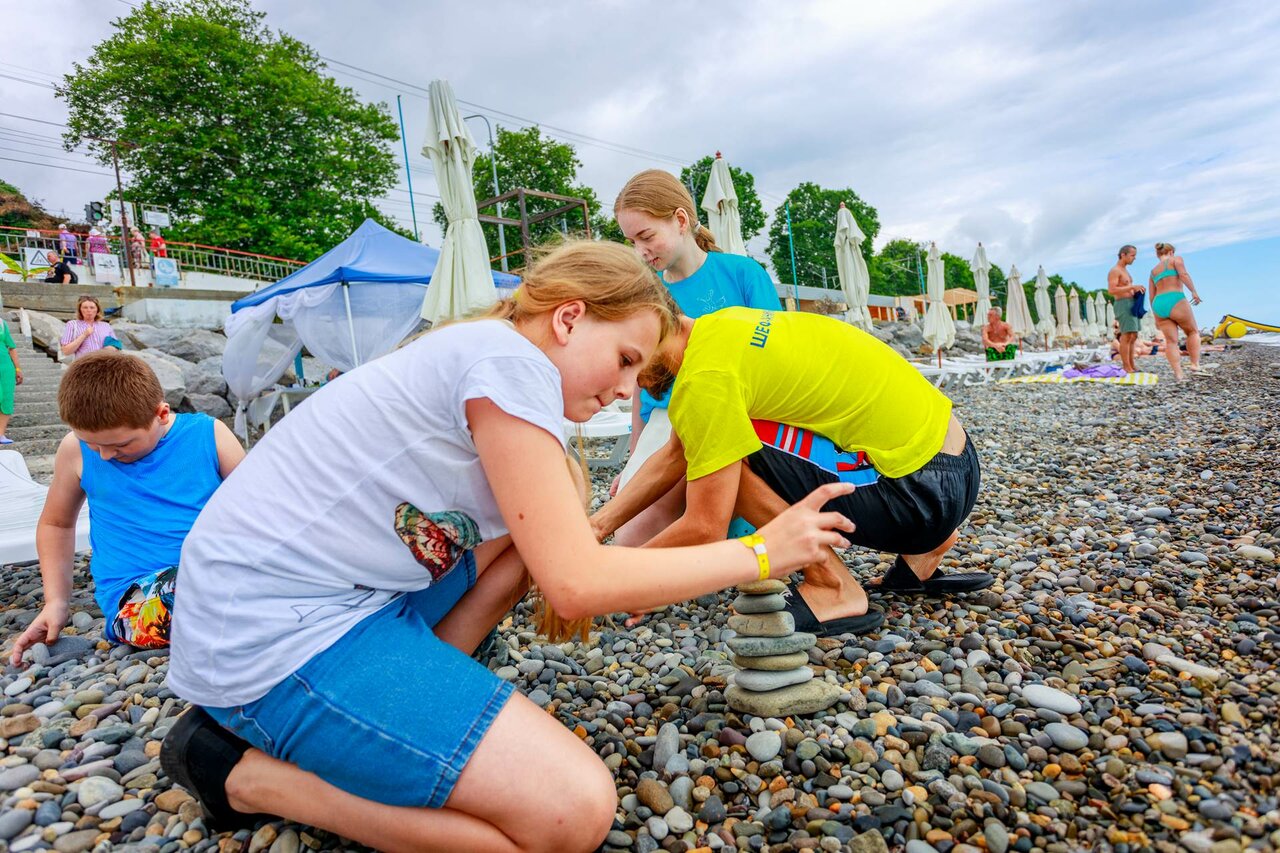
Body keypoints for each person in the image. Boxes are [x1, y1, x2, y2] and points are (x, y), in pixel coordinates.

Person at [156, 241, 851, 853]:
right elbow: (577, 583)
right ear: (570, 317)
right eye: (625, 359)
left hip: (324, 602)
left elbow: (551, 558)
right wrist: (760, 552)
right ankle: (244, 777)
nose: (625, 388)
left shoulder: (489, 361)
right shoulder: (507, 360)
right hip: (269, 635)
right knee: (571, 813)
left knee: (539, 530)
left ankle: (398, 696)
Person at [593, 306, 994, 638]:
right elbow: (674, 454)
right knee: (720, 436)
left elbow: (705, 526)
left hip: (916, 496)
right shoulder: (722, 327)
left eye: (627, 362)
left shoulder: (705, 380)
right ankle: (922, 554)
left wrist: (608, 581)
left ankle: (833, 587)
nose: (629, 387)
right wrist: (596, 528)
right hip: (956, 466)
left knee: (737, 450)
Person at [8, 353, 245, 663]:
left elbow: (255, 509)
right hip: (136, 597)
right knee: (197, 605)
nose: (105, 456)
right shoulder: (74, 450)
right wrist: (56, 602)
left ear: (161, 414)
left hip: (212, 570)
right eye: (94, 444)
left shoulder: (208, 435)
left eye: (120, 445)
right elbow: (57, 524)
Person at [610, 169, 781, 548]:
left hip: (740, 415)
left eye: (646, 236)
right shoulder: (647, 295)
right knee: (629, 541)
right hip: (667, 422)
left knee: (676, 537)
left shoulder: (742, 274)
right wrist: (634, 457)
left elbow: (774, 357)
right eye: (631, 242)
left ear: (681, 220)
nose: (640, 251)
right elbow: (643, 387)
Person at [1149, 242, 1204, 379]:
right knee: (1192, 331)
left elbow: (1151, 295)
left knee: (1171, 341)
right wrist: (1194, 292)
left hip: (1158, 303)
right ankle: (1194, 364)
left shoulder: (1153, 271)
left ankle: (1178, 373)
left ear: (1158, 254)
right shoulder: (1176, 259)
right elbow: (1183, 274)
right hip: (1175, 298)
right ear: (1171, 252)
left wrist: (1156, 316)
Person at [1107, 245, 1143, 373]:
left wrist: (1136, 291)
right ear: (1123, 255)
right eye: (1132, 255)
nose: (1134, 258)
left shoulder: (1125, 271)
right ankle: (1126, 366)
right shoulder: (1115, 271)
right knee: (1126, 335)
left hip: (1131, 303)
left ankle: (1131, 364)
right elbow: (1111, 290)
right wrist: (1131, 288)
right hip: (1123, 304)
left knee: (1133, 335)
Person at [60, 295, 113, 360]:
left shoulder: (106, 326)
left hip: (102, 365)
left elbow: (116, 346)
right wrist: (84, 335)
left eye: (92, 307)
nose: (89, 310)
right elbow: (66, 351)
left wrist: (109, 349)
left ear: (97, 310)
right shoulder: (72, 324)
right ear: (80, 310)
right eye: (85, 307)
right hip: (83, 366)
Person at [0, 316, 21, 446]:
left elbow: (12, 348)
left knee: (6, 399)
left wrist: (17, 369)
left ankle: (1, 434)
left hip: (6, 367)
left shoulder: (2, 323)